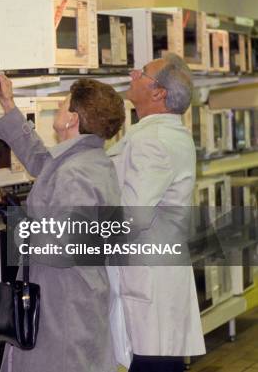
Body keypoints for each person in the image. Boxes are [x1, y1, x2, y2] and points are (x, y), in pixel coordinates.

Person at [0, 76, 125, 372]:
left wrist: (16, 224)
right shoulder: (87, 160)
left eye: (63, 104)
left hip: (62, 306)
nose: (59, 108)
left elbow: (61, 247)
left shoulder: (75, 173)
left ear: (72, 119)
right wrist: (8, 104)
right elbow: (42, 161)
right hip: (76, 296)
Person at [107, 53, 206, 372]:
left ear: (158, 92)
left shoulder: (154, 140)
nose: (132, 74)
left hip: (150, 285)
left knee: (155, 363)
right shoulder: (159, 133)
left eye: (142, 73)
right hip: (156, 281)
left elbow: (132, 217)